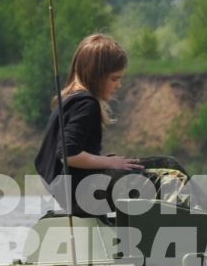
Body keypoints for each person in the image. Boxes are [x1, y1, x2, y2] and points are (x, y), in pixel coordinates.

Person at [34, 34, 144, 217]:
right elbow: (68, 154)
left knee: (136, 168)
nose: (119, 85)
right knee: (158, 175)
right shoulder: (86, 103)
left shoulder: (70, 100)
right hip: (81, 194)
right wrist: (110, 162)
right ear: (96, 75)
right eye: (114, 79)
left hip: (70, 192)